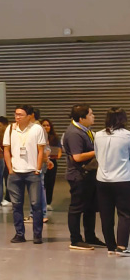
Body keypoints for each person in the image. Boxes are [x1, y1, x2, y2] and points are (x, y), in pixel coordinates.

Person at [62, 104, 105, 250]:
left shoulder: (86, 130)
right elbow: (77, 157)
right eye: (91, 114)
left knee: (90, 208)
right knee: (77, 208)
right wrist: (98, 150)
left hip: (89, 175)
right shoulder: (74, 133)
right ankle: (75, 239)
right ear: (81, 118)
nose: (94, 116)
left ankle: (90, 236)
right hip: (79, 176)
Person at [3, 104, 46, 245]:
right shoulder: (10, 129)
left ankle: (37, 235)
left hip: (32, 172)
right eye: (16, 114)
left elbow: (41, 150)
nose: (17, 117)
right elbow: (6, 149)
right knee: (16, 205)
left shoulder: (37, 129)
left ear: (29, 116)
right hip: (15, 172)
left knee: (36, 204)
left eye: (20, 114)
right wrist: (10, 169)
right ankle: (19, 234)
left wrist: (38, 169)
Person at [94, 107, 130, 256]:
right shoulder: (127, 136)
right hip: (123, 179)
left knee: (106, 214)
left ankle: (110, 246)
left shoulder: (98, 135)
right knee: (125, 214)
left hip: (102, 180)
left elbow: (97, 156)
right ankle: (122, 247)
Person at [41, 118, 63, 208]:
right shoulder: (39, 136)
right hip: (41, 162)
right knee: (42, 182)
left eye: (48, 125)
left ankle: (48, 202)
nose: (46, 127)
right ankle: (41, 201)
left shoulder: (55, 138)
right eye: (44, 125)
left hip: (52, 162)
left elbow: (59, 149)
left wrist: (57, 155)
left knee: (50, 182)